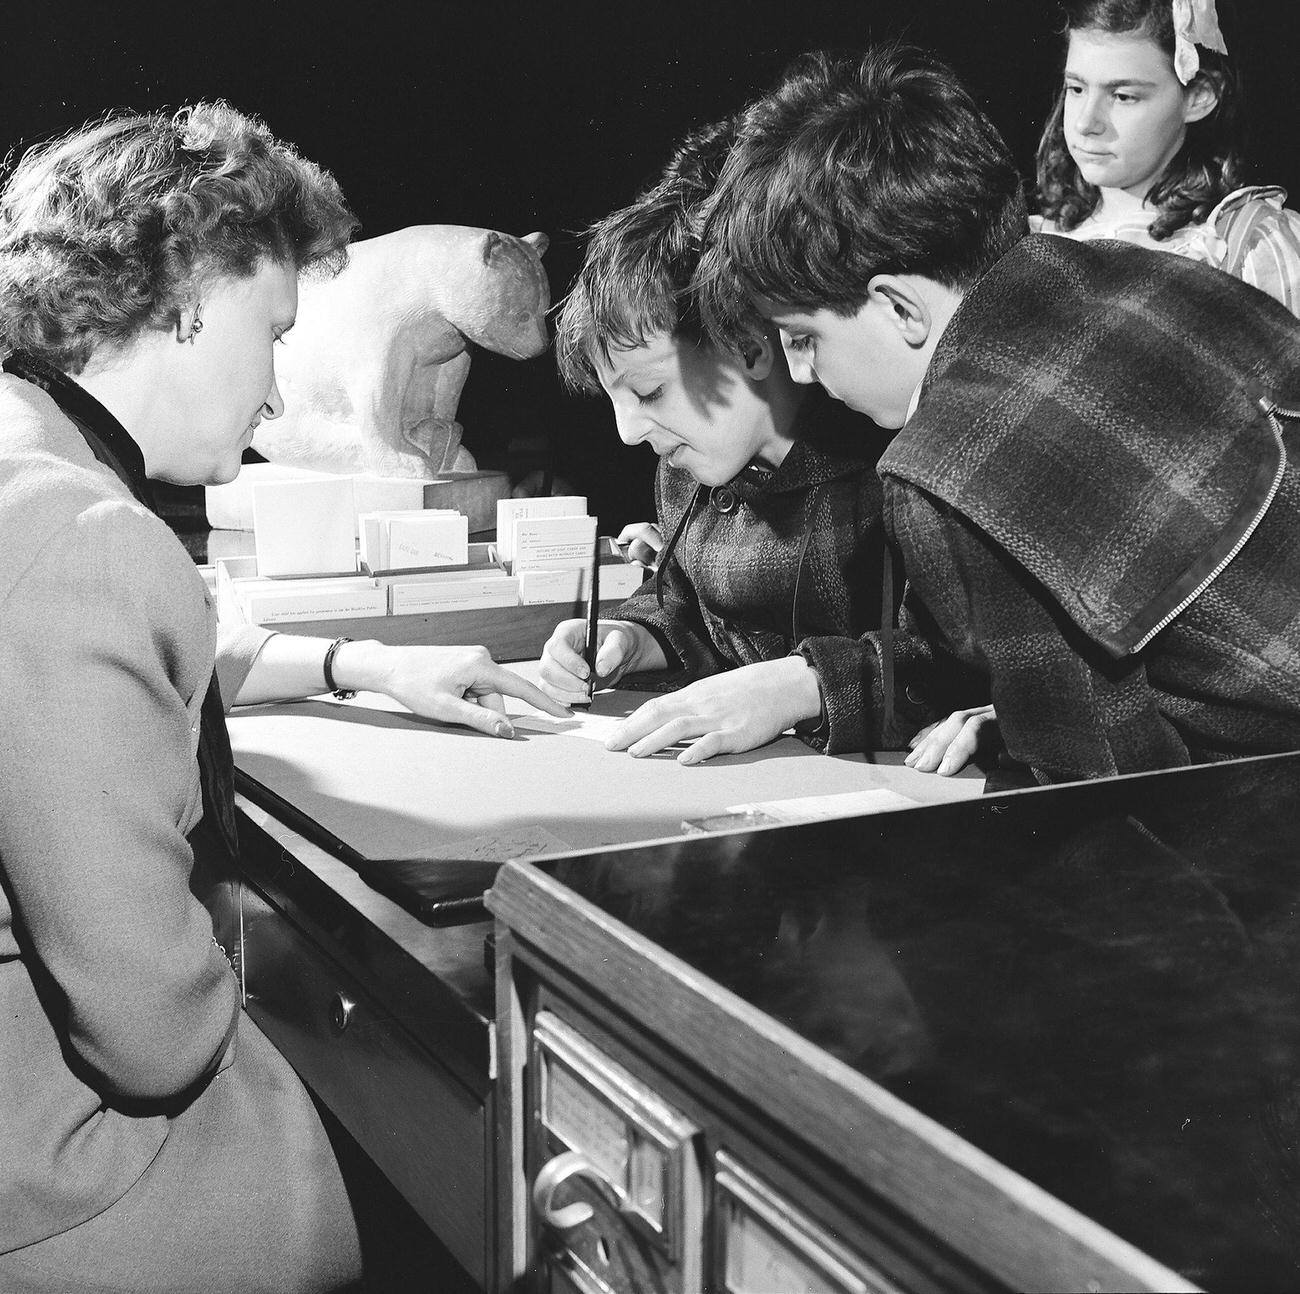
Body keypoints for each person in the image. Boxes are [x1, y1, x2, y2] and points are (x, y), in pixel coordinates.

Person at [0, 102, 566, 1293]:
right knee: (454, 1187)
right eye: (272, 334)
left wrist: (371, 663)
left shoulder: (28, 463)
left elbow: (152, 652)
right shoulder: (81, 533)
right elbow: (151, 1037)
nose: (273, 392)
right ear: (191, 296)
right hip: (66, 1176)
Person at [695, 43, 1300, 786]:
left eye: (803, 338)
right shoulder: (1153, 274)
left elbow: (1103, 797)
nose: (800, 374)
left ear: (897, 307)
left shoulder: (947, 471)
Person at [541, 119, 959, 765]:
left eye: (649, 393)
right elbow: (690, 609)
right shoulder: (690, 466)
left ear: (747, 345)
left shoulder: (888, 469)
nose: (628, 433)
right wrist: (630, 639)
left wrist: (804, 686)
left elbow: (954, 662)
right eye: (615, 399)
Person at [1034, 0, 1300, 314]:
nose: (1085, 123)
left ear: (1199, 97)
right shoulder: (1035, 240)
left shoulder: (1244, 245)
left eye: (1123, 96)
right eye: (1076, 88)